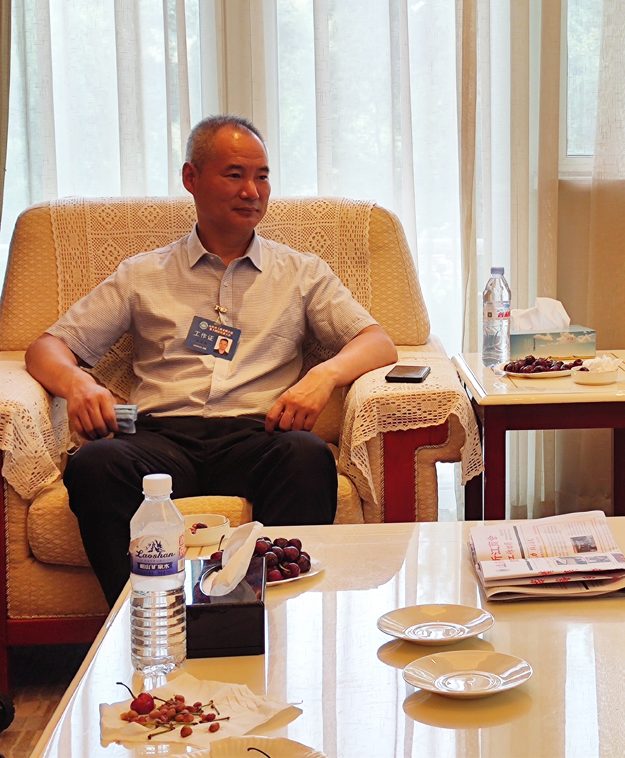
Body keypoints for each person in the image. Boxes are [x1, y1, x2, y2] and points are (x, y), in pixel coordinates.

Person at [26, 115, 399, 604]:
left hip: (258, 437)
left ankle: (274, 622)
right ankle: (150, 618)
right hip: (158, 440)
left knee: (307, 456)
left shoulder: (301, 273)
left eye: (262, 176)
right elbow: (46, 348)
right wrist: (79, 384)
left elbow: (378, 342)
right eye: (235, 174)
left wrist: (323, 376)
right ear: (191, 178)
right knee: (97, 464)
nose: (252, 191)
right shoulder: (143, 274)